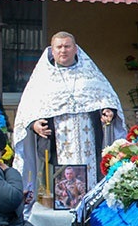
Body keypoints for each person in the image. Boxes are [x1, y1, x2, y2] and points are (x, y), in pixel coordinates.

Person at [13, 32, 126, 197]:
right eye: (58, 47)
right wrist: (35, 125)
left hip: (88, 142)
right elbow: (29, 110)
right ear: (52, 51)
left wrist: (108, 112)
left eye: (67, 46)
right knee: (59, 190)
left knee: (90, 185)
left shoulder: (89, 75)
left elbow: (106, 98)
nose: (63, 50)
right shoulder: (42, 78)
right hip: (55, 144)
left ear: (75, 49)